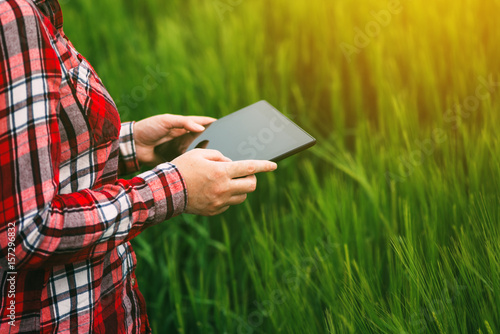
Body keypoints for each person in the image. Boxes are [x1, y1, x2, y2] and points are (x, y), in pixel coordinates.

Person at [0, 0, 277, 332]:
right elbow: (27, 232)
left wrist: (129, 143)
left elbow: (21, 167)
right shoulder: (13, 17)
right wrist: (175, 188)